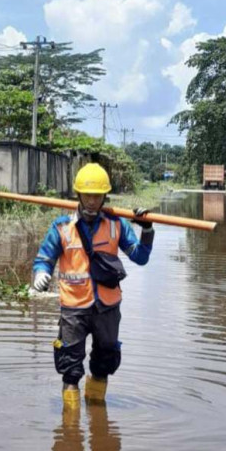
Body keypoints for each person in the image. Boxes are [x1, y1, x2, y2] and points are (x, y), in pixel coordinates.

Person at [32, 163, 154, 408]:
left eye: (97, 196)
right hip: (73, 309)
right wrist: (40, 274)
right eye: (87, 195)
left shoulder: (116, 225)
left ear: (104, 197)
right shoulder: (61, 227)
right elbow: (44, 259)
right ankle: (71, 427)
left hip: (107, 308)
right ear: (78, 195)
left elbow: (140, 257)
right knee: (70, 368)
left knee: (104, 363)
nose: (91, 201)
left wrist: (147, 229)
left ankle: (98, 415)